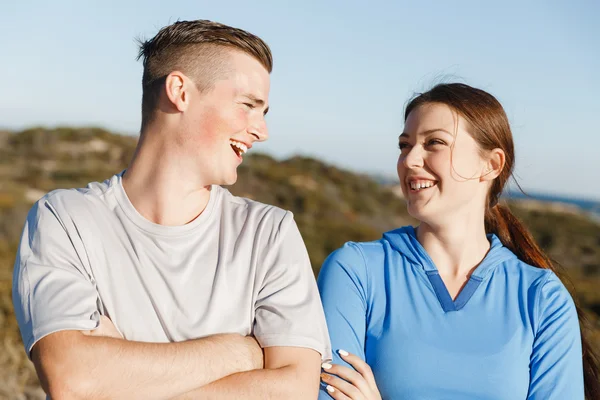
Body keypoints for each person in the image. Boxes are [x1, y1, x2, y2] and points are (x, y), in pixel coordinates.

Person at [12, 19, 331, 399]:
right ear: (180, 91)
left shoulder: (269, 232)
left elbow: (294, 389)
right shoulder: (65, 219)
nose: (262, 131)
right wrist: (239, 352)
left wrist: (120, 381)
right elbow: (74, 378)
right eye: (248, 105)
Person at [317, 83, 599, 399]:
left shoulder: (543, 298)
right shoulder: (357, 272)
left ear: (490, 164)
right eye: (405, 145)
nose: (410, 160)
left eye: (434, 142)